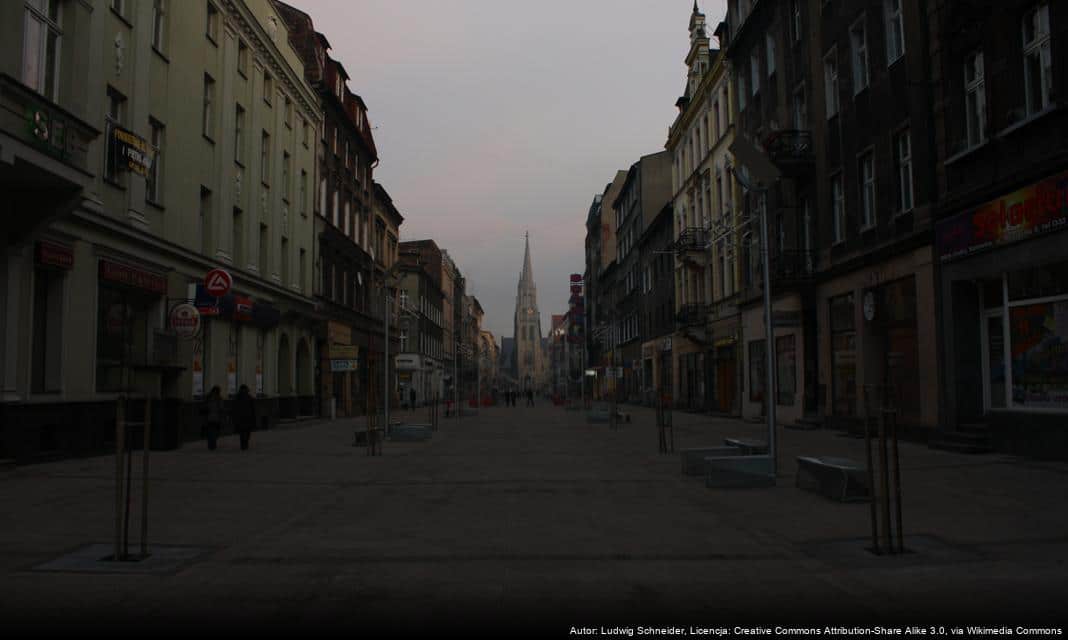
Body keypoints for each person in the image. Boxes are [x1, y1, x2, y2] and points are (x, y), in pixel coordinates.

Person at [232, 384, 256, 451]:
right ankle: (245, 443)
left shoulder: (237, 397)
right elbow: (253, 408)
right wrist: (253, 417)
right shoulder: (249, 397)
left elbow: (234, 408)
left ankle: (243, 444)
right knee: (247, 431)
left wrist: (234, 417)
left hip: (240, 418)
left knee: (242, 431)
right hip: (248, 417)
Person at [203, 386, 223, 450]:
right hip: (216, 418)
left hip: (209, 418)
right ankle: (213, 444)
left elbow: (204, 407)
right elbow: (221, 408)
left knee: (210, 432)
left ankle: (210, 444)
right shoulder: (218, 398)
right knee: (215, 432)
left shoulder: (208, 398)